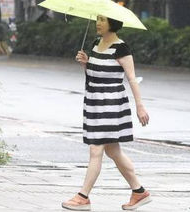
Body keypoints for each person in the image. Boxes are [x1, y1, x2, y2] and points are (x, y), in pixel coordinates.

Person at [62, 15, 151, 211]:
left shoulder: (121, 48)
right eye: (97, 20)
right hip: (94, 103)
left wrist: (140, 106)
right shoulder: (95, 44)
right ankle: (139, 191)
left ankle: (83, 196)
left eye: (102, 20)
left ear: (113, 23)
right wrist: (86, 63)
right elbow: (93, 76)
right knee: (113, 151)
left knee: (96, 149)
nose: (98, 23)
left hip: (111, 104)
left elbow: (132, 79)